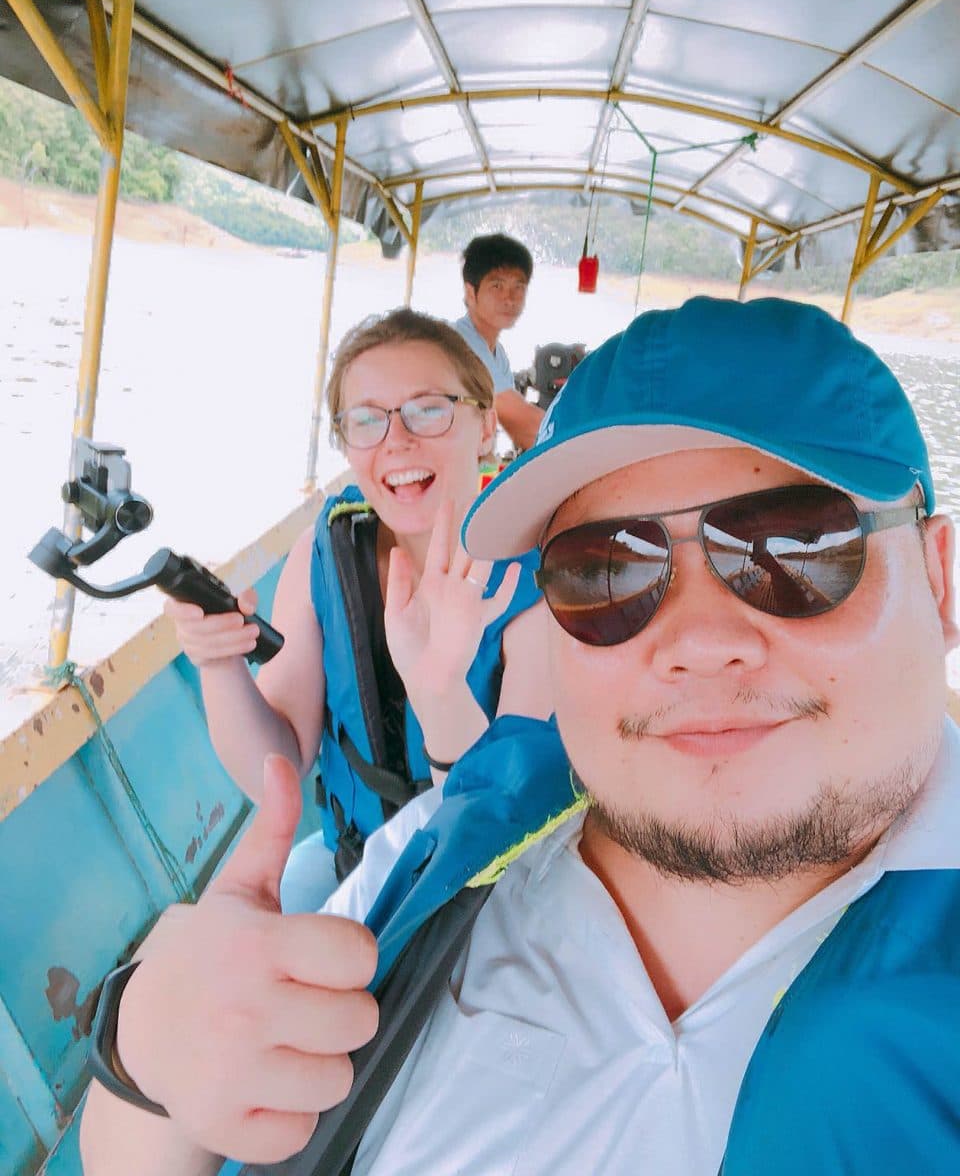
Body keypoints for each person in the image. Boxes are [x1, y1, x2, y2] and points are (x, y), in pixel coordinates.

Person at [80, 297, 959, 1176]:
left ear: (940, 579)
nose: (698, 643)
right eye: (607, 571)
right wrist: (139, 1059)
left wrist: (440, 704)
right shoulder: (452, 847)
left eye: (797, 550)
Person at [164, 307, 550, 910]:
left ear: (484, 426)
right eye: (367, 420)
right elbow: (279, 769)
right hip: (354, 858)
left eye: (429, 409)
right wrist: (219, 665)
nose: (397, 440)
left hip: (498, 887)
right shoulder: (329, 552)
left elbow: (509, 823)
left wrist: (442, 690)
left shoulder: (535, 577)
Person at [451, 232, 545, 451]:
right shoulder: (460, 343)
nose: (509, 298)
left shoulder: (497, 354)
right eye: (497, 286)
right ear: (470, 292)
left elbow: (519, 431)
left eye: (518, 287)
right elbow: (524, 424)